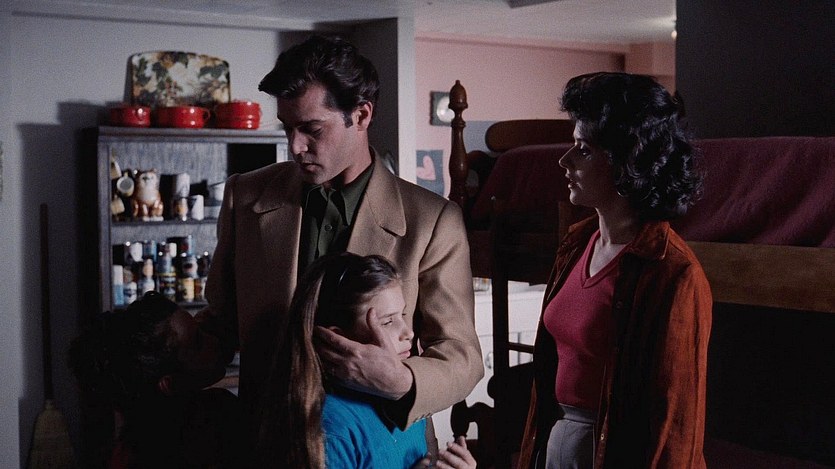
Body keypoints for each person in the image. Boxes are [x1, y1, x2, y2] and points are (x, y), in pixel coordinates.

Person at [199, 34, 482, 447]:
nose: (294, 146)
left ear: (362, 115)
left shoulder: (433, 221)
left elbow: (461, 356)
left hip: (381, 444)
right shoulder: (245, 196)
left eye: (311, 129)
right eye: (287, 128)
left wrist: (400, 380)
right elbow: (220, 322)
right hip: (265, 443)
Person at [517, 72, 712, 469]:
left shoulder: (674, 274)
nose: (564, 160)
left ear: (626, 160)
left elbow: (675, 425)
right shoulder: (575, 244)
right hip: (557, 439)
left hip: (610, 452)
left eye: (583, 149)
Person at [257, 252, 476, 468]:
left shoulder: (407, 407)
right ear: (337, 339)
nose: (408, 333)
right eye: (387, 322)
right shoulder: (332, 431)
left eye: (402, 315)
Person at [69, 292, 241, 469]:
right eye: (198, 342)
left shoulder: (126, 452)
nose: (214, 340)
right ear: (169, 384)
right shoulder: (217, 424)